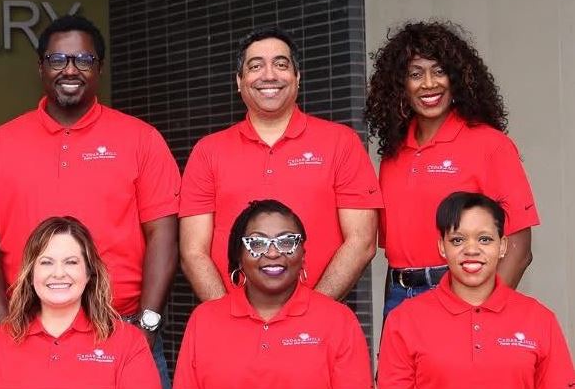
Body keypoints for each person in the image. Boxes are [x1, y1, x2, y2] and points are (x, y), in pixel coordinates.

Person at [0, 15, 179, 386]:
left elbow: (164, 237)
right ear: (41, 67)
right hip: (25, 332)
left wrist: (147, 325)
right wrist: (3, 328)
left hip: (123, 333)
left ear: (100, 68)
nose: (70, 70)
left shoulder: (142, 140)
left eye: (84, 60)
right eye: (58, 59)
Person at [179, 27, 382, 303]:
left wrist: (311, 313)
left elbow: (362, 241)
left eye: (281, 64)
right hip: (232, 317)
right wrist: (227, 317)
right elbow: (193, 252)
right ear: (239, 81)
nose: (269, 75)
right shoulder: (208, 151)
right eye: (255, 66)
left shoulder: (341, 142)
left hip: (321, 317)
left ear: (297, 77)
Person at [365, 21, 539, 316]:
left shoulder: (491, 145)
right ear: (400, 86)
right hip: (399, 298)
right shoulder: (394, 156)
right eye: (415, 74)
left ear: (456, 78)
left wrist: (480, 315)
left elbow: (519, 251)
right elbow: (398, 259)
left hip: (464, 292)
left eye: (439, 71)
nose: (429, 83)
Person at [378, 192, 574, 388]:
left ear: (502, 246)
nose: (471, 250)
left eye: (484, 239)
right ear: (442, 247)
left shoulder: (540, 319)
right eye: (457, 240)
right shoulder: (404, 321)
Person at [174, 200, 372, 388]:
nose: (273, 253)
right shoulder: (204, 319)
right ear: (239, 257)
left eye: (286, 242)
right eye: (257, 244)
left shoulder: (339, 320)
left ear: (303, 255)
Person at [0, 216, 159, 389]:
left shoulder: (128, 342)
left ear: (89, 273)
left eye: (71, 262)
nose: (58, 273)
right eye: (46, 262)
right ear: (31, 275)